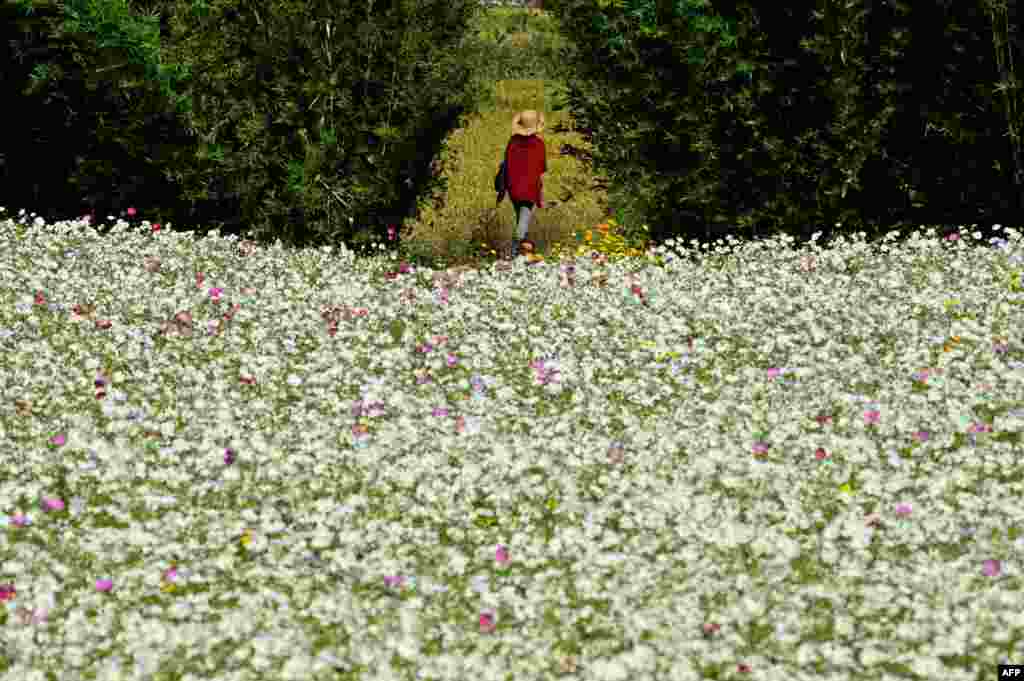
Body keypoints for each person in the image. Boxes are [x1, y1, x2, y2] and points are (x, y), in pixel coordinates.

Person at [498, 110, 546, 259]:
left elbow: (507, 163)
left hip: (512, 187)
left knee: (521, 217)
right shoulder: (538, 144)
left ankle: (524, 253)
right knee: (524, 219)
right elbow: (542, 167)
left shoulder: (512, 142)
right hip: (530, 188)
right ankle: (513, 252)